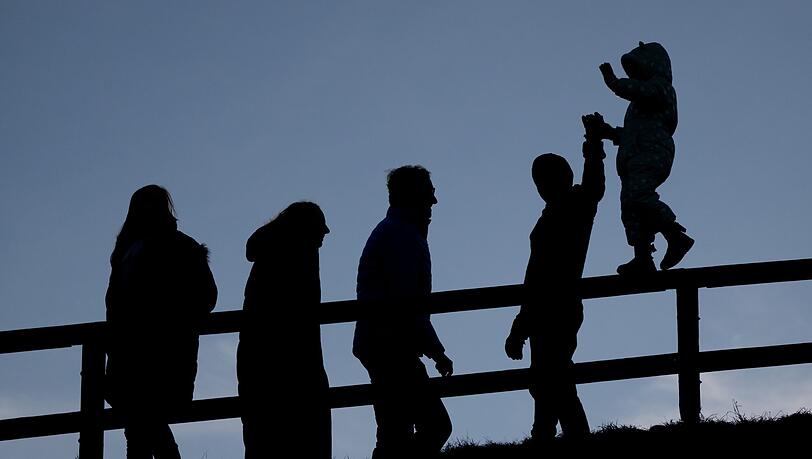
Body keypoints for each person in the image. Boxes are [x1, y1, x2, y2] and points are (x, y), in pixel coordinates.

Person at [505, 114, 608, 445]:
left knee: (553, 380)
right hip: (544, 309)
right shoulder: (552, 215)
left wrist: (593, 144)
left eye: (544, 178)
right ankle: (546, 435)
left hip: (557, 308)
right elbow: (533, 274)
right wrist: (521, 324)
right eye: (538, 180)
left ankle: (562, 436)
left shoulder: (576, 205)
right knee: (547, 380)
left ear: (561, 178)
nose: (540, 186)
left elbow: (594, 185)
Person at [105, 185, 217, 459]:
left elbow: (206, 298)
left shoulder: (132, 250)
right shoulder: (177, 247)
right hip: (152, 354)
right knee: (142, 427)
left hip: (150, 354)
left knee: (140, 427)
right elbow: (207, 298)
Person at [353, 165, 454, 459]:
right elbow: (408, 302)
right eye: (429, 194)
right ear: (414, 195)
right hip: (392, 345)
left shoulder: (394, 232)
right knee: (434, 425)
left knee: (393, 430)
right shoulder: (403, 237)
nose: (434, 202)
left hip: (381, 342)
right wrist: (436, 351)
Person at [237, 201, 332, 459]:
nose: (326, 233)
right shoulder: (301, 254)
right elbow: (302, 316)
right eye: (320, 228)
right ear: (305, 229)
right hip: (296, 363)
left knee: (263, 438)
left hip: (257, 362)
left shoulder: (271, 253)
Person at [596, 41, 694, 275]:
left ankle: (675, 236)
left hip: (652, 151)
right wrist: (608, 131)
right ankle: (642, 257)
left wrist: (613, 82)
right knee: (630, 206)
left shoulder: (660, 88)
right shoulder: (639, 106)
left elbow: (639, 91)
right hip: (634, 155)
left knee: (639, 197)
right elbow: (631, 132)